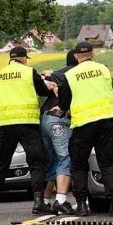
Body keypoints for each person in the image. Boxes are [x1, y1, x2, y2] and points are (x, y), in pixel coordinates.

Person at [0, 46, 56, 215]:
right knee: (36, 162)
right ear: (22, 58)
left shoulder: (0, 75)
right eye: (26, 58)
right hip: (27, 123)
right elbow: (42, 91)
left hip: (6, 125)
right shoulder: (28, 72)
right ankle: (38, 202)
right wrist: (49, 84)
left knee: (1, 162)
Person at [58, 41, 113, 217]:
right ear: (93, 54)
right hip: (106, 121)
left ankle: (81, 205)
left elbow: (64, 103)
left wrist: (67, 109)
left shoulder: (70, 75)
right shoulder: (104, 69)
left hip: (83, 124)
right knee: (109, 162)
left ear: (76, 56)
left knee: (79, 164)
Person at [40, 50, 79, 215]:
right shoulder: (77, 74)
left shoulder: (55, 74)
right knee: (65, 158)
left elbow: (42, 81)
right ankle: (61, 200)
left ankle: (44, 201)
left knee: (52, 160)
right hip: (60, 120)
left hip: (45, 119)